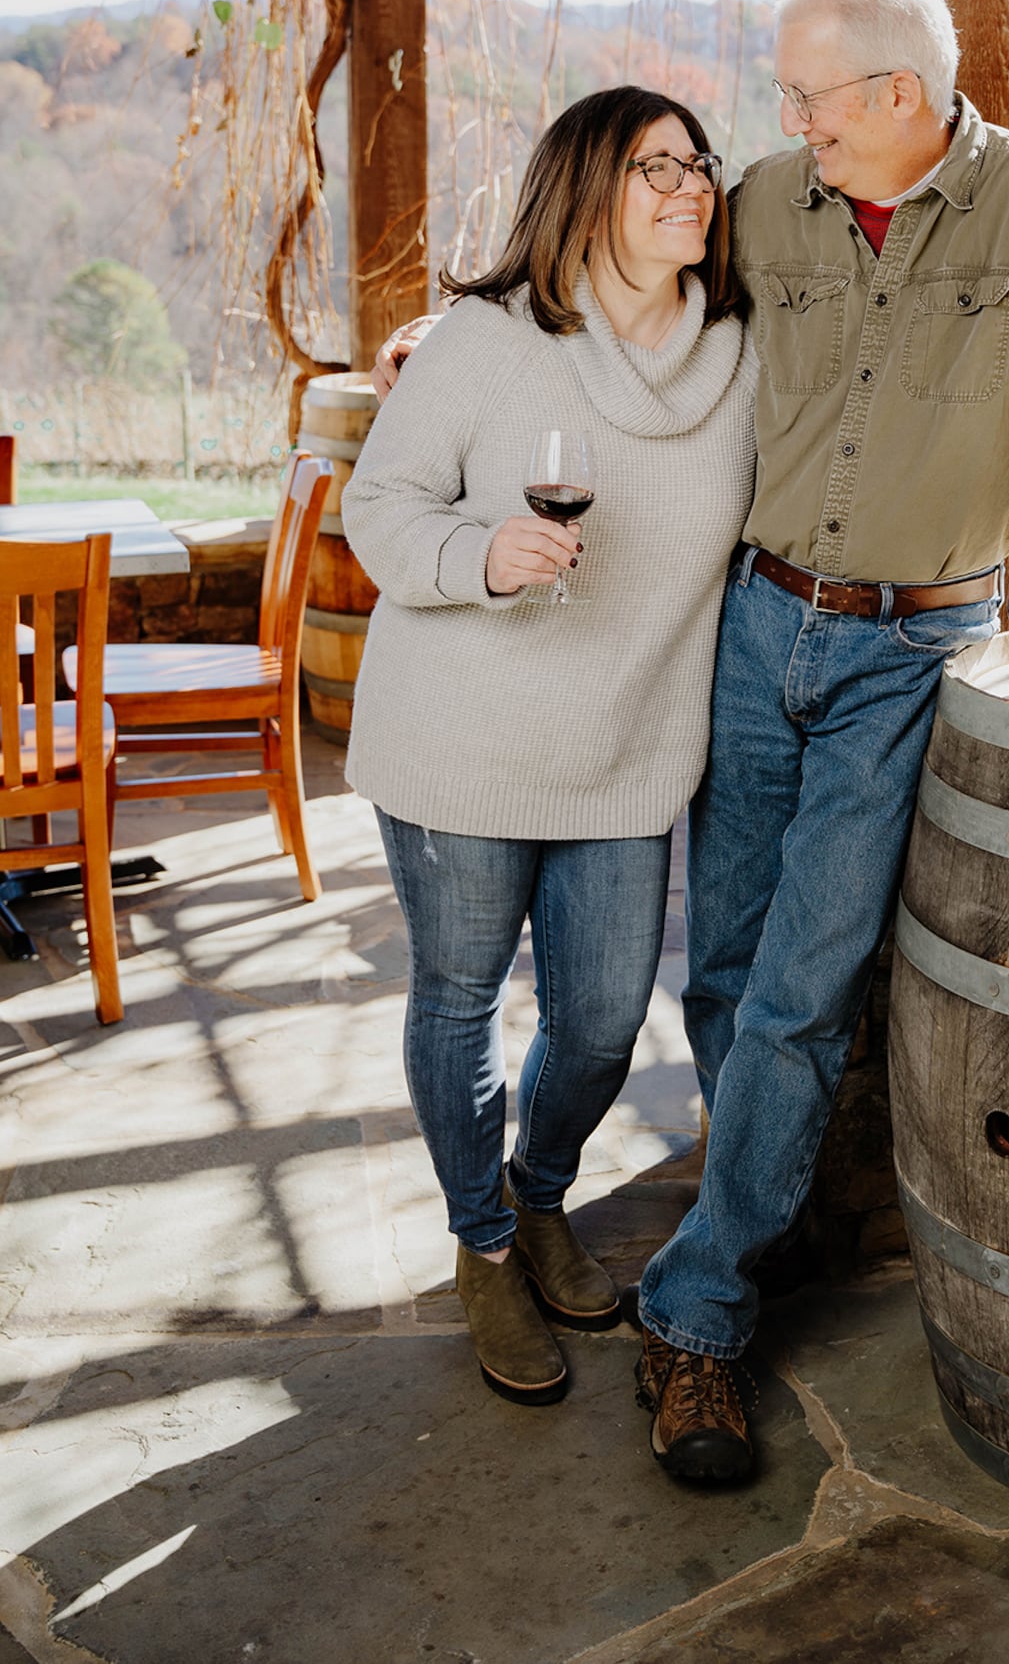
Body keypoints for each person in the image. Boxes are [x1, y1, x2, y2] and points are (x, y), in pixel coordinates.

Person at [375, 0, 1009, 1482]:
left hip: (912, 649)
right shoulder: (775, 206)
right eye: (778, 102)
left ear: (899, 96)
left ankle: (704, 1307)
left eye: (803, 98)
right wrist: (458, 350)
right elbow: (601, 295)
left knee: (799, 982)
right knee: (718, 971)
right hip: (750, 627)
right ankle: (734, 1203)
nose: (773, 129)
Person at [342, 86, 755, 1409]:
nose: (690, 185)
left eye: (700, 164)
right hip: (460, 735)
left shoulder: (742, 354)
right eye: (655, 168)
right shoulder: (485, 338)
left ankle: (537, 1197)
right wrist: (479, 554)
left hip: (629, 746)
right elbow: (380, 505)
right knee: (459, 1001)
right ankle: (479, 1246)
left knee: (596, 1018)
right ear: (584, 187)